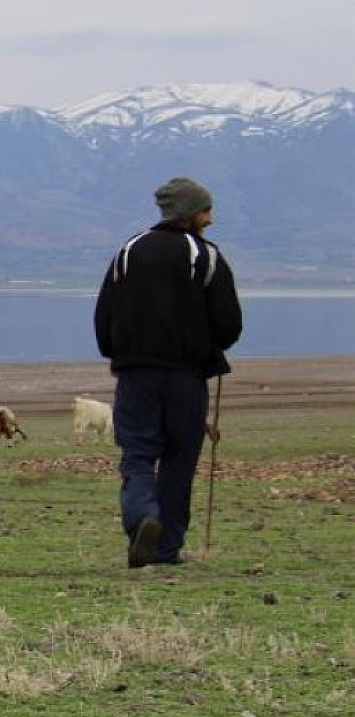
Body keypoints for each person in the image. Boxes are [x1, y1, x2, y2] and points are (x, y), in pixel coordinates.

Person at [94, 177, 243, 567]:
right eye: (206, 210)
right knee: (180, 458)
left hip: (135, 375)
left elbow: (104, 314)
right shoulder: (206, 255)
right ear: (192, 213)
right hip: (187, 378)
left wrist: (116, 352)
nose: (210, 218)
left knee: (138, 455)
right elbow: (229, 324)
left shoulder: (129, 250)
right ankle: (165, 548)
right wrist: (212, 345)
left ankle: (144, 515)